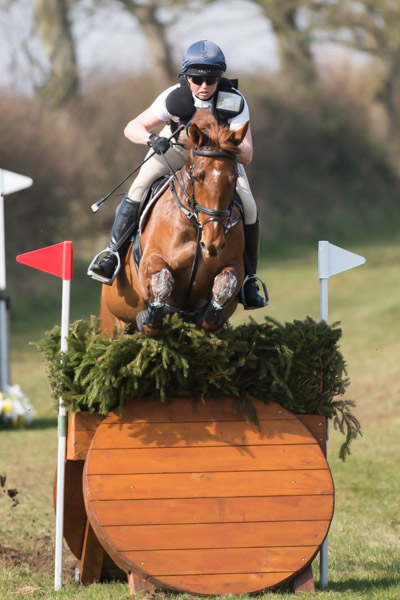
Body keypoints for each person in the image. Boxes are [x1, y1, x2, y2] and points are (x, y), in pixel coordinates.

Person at [88, 40, 266, 309]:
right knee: (139, 187)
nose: (204, 86)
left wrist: (223, 147)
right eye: (196, 79)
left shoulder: (234, 101)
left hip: (219, 158)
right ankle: (112, 255)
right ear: (186, 77)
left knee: (249, 207)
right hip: (176, 150)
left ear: (220, 78)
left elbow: (248, 154)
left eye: (211, 80)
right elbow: (131, 127)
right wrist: (151, 140)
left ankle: (249, 279)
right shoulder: (174, 97)